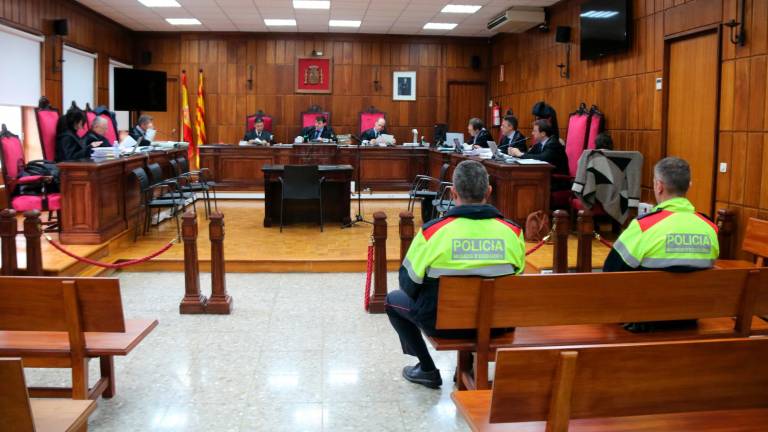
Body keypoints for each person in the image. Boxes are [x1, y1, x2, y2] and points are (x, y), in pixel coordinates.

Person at [385, 160, 526, 389]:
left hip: (441, 324)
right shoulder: (513, 232)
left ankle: (427, 369)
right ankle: (465, 365)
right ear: (489, 192)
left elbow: (408, 284)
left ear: (453, 193)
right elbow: (515, 282)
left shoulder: (432, 232)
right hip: (496, 324)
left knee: (393, 301)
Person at [603, 157, 720, 331]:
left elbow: (609, 273)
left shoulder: (643, 226)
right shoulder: (710, 228)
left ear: (659, 186)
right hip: (688, 321)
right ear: (689, 185)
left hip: (645, 323)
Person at [509, 120, 569, 189]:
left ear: (543, 133)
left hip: (557, 181)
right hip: (545, 177)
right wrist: (515, 153)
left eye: (534, 131)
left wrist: (521, 154)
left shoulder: (553, 144)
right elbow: (529, 155)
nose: (532, 133)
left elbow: (542, 158)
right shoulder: (539, 144)